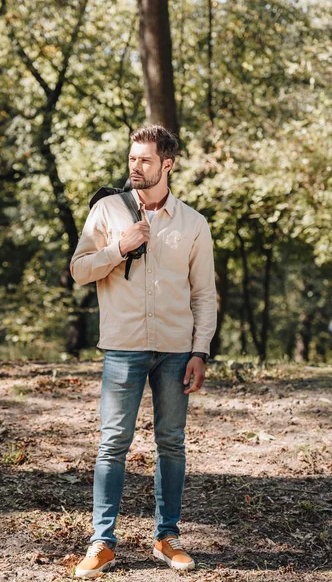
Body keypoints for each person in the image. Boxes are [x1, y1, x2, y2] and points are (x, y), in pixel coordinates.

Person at [70, 125, 217, 578]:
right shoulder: (106, 210)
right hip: (123, 348)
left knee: (171, 444)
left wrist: (200, 351)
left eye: (145, 160)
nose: (135, 166)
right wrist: (119, 247)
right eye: (132, 158)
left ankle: (167, 537)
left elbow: (204, 295)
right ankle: (102, 542)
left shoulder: (193, 223)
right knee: (112, 443)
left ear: (167, 164)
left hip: (176, 350)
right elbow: (78, 270)